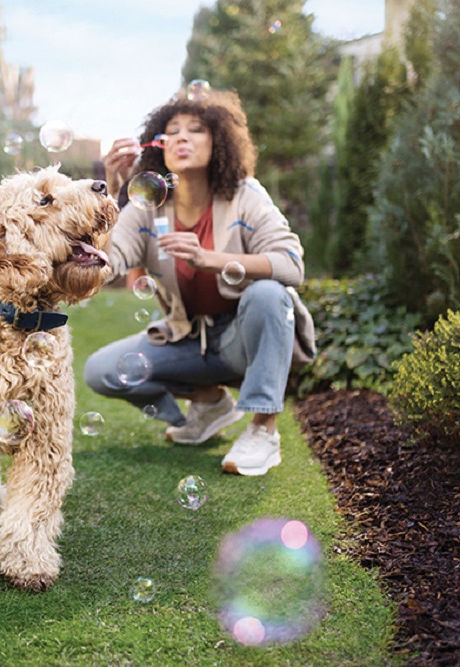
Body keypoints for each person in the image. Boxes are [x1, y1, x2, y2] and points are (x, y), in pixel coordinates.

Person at [84, 89, 315, 477]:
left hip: (245, 338)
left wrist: (212, 260)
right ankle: (209, 402)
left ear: (219, 142)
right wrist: (113, 190)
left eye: (196, 129)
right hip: (187, 339)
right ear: (158, 146)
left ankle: (263, 430)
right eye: (172, 131)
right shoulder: (148, 208)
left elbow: (292, 264)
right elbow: (106, 264)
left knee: (268, 292)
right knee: (101, 370)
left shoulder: (245, 196)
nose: (182, 138)